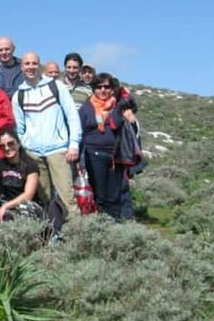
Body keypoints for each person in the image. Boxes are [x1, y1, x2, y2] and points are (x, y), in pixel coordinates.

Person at [13, 51, 82, 220]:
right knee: (45, 200)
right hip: (33, 153)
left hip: (58, 150)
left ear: (40, 65)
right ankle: (51, 235)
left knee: (67, 198)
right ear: (22, 67)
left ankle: (77, 237)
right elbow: (19, 128)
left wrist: (74, 144)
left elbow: (72, 115)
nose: (31, 67)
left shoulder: (56, 87)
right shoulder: (18, 96)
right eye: (27, 64)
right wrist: (26, 147)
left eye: (34, 63)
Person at [78, 73, 134, 220]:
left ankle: (113, 226)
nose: (103, 90)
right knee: (99, 194)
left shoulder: (118, 105)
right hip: (93, 154)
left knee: (114, 195)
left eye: (107, 87)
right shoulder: (86, 107)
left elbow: (133, 103)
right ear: (93, 89)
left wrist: (121, 93)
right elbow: (79, 131)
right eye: (98, 87)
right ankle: (100, 225)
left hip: (116, 156)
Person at [0, 129, 44, 227]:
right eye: (2, 146)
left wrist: (5, 207)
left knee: (24, 207)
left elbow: (28, 195)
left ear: (18, 144)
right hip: (6, 206)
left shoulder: (30, 165)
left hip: (26, 207)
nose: (7, 148)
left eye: (11, 144)